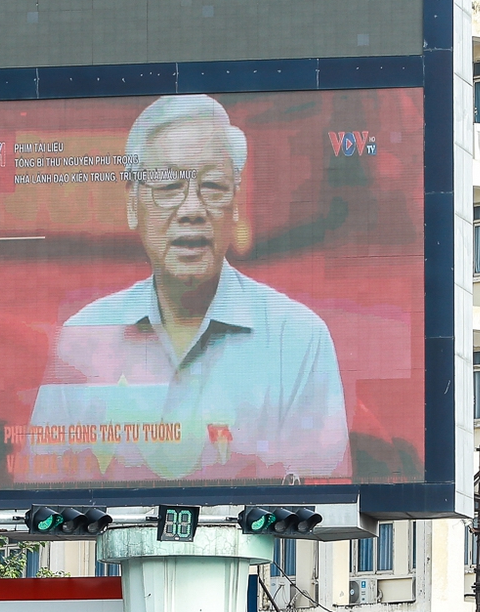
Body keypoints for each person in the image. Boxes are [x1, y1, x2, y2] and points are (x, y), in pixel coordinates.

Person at [24, 93, 351, 486]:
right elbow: (39, 490)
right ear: (132, 202)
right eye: (168, 186)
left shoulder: (298, 339)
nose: (192, 209)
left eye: (213, 185)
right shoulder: (83, 338)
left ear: (236, 203)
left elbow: (320, 499)